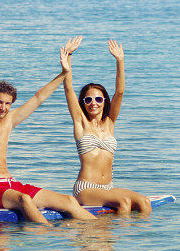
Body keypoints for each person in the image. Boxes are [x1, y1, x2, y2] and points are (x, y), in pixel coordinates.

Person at [0, 40, 97, 225]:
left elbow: (38, 97)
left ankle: (101, 234)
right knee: (24, 200)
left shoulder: (9, 121)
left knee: (69, 201)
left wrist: (64, 73)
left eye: (8, 103)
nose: (3, 107)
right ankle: (48, 234)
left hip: (11, 185)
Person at [60, 36, 151, 216]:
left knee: (144, 202)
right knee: (124, 202)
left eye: (98, 99)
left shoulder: (110, 123)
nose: (93, 103)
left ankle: (144, 241)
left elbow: (120, 91)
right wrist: (68, 57)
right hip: (86, 188)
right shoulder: (81, 123)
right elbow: (69, 88)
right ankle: (111, 242)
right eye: (88, 99)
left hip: (108, 187)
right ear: (83, 103)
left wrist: (120, 61)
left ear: (104, 101)